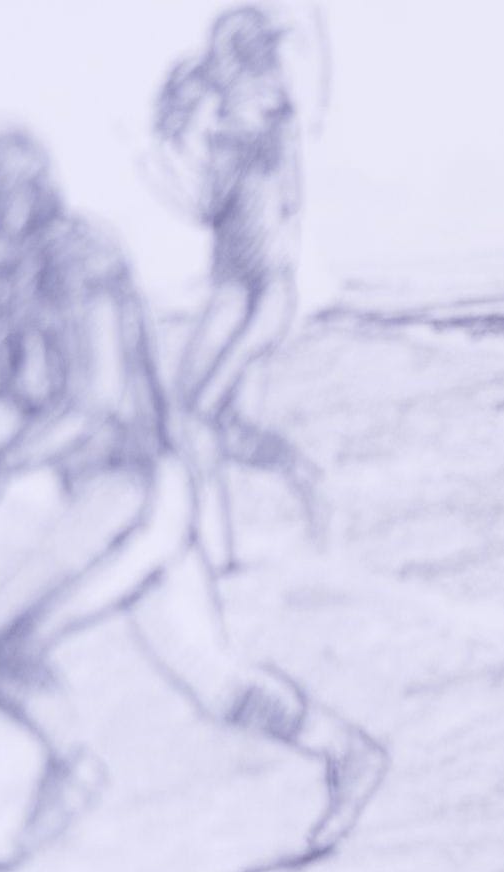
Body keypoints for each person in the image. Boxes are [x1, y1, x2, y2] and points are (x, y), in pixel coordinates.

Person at [0, 129, 383, 872]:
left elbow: (91, 403)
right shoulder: (18, 271)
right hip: (121, 498)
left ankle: (72, 767)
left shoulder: (81, 260)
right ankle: (347, 749)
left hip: (136, 491)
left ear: (17, 211)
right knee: (218, 685)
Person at [151, 5, 323, 575]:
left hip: (249, 292)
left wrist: (164, 160)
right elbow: (290, 204)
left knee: (193, 416)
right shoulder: (279, 117)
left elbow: (205, 207)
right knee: (214, 423)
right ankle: (300, 479)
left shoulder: (235, 130)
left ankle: (218, 550)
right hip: (261, 289)